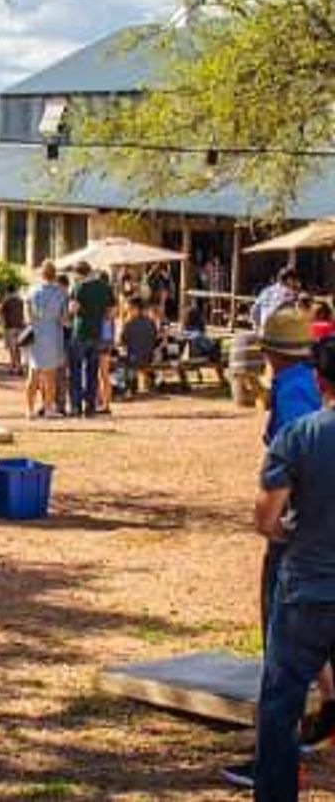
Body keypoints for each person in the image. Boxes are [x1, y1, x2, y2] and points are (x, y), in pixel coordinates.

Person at [224, 310, 329, 790]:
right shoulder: (301, 389)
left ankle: (276, 779)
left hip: (305, 571)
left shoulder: (298, 423)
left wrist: (288, 533)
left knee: (282, 691)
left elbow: (268, 517)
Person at [67, 263, 114, 418]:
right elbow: (110, 313)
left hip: (80, 333)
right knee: (92, 372)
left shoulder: (79, 287)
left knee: (76, 370)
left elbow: (73, 309)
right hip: (97, 333)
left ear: (79, 273)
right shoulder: (105, 287)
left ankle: (76, 406)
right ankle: (90, 407)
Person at [25, 262, 69, 418]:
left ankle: (29, 410)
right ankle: (49, 409)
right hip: (53, 335)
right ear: (54, 274)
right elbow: (64, 320)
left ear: (41, 274)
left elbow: (28, 317)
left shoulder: (32, 290)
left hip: (36, 333)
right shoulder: (61, 293)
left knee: (33, 374)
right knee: (50, 376)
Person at [118, 295, 160, 399]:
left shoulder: (129, 324)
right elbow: (155, 340)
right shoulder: (151, 323)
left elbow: (122, 342)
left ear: (135, 308)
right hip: (149, 358)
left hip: (134, 359)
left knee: (120, 360)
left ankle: (128, 387)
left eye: (129, 308)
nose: (128, 310)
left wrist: (123, 321)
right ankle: (149, 381)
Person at [0, 287, 27, 376]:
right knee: (17, 348)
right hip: (20, 326)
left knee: (12, 348)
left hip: (10, 327)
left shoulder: (6, 301)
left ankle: (15, 367)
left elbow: (2, 314)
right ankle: (16, 366)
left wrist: (3, 326)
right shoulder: (20, 301)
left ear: (8, 292)